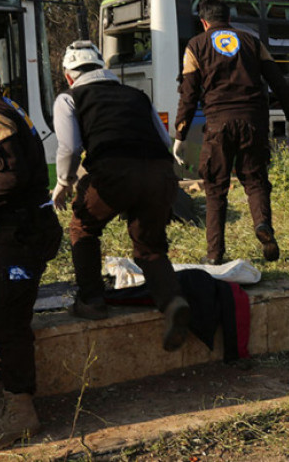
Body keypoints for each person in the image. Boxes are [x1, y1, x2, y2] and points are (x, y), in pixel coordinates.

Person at [51, 41, 190, 353]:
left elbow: (70, 148)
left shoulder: (69, 98)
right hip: (160, 173)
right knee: (149, 245)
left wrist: (64, 182)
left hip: (114, 173)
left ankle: (91, 300)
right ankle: (172, 302)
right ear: (104, 69)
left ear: (69, 76)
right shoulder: (137, 96)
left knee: (83, 227)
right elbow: (162, 138)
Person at [0, 56, 62, 452]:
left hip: (26, 230)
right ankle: (0, 390)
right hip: (19, 226)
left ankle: (20, 409)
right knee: (2, 312)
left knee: (9, 318)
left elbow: (12, 174)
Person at [173, 0, 289, 264]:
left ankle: (214, 256)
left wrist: (180, 134)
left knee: (215, 190)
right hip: (253, 122)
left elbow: (188, 94)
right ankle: (263, 226)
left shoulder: (196, 46)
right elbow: (278, 81)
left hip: (218, 125)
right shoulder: (252, 41)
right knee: (256, 181)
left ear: (203, 22)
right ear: (229, 19)